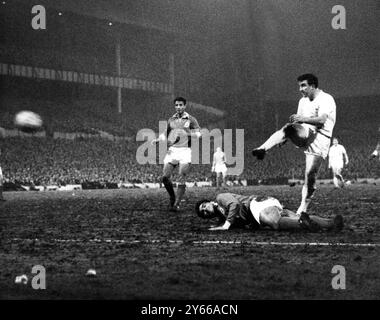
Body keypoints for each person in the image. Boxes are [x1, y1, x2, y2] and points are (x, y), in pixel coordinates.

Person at [251, 74, 336, 215]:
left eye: (303, 85)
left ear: (313, 86)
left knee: (310, 175)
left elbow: (321, 120)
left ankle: (303, 207)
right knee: (288, 127)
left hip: (321, 137)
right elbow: (298, 122)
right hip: (306, 132)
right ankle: (263, 148)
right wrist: (285, 137)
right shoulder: (302, 101)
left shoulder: (326, 99)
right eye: (299, 86)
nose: (300, 89)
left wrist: (301, 118)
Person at [195, 192, 344, 232]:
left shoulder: (220, 198)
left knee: (275, 224)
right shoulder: (224, 218)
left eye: (203, 206)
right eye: (203, 214)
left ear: (209, 202)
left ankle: (301, 222)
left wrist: (226, 225)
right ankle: (331, 223)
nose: (205, 211)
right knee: (295, 218)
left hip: (257, 204)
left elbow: (234, 204)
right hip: (266, 205)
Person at [152, 97, 201, 212]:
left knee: (181, 176)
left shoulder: (191, 119)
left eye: (180, 105)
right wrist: (158, 139)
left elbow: (199, 134)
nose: (178, 107)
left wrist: (189, 133)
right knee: (164, 177)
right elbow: (165, 133)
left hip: (185, 151)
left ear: (185, 106)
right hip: (173, 150)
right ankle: (172, 196)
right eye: (176, 105)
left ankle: (176, 204)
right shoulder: (171, 120)